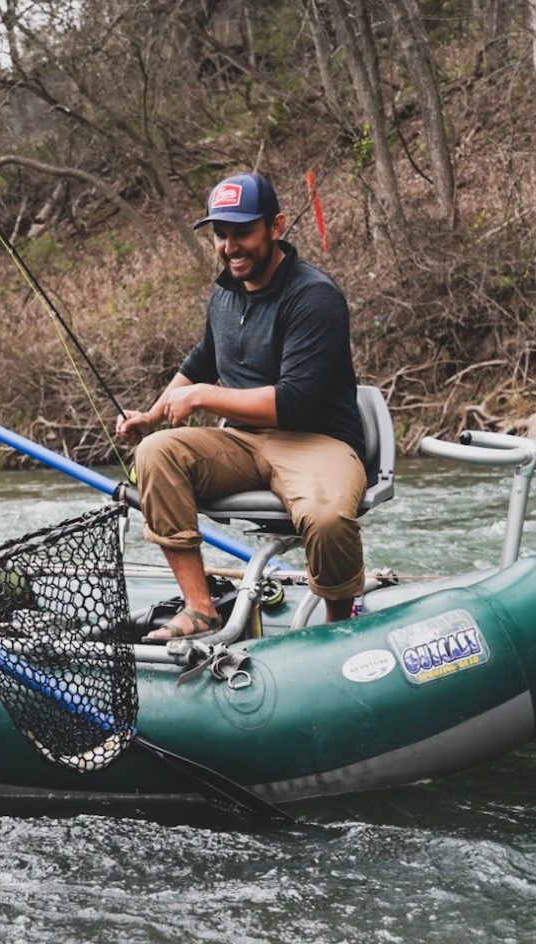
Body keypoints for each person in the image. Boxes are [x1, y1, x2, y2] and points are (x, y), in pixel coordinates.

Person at [115, 172, 369, 637]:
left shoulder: (314, 296)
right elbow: (203, 361)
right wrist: (153, 415)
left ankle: (339, 628)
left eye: (242, 233)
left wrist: (201, 396)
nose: (229, 246)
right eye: (221, 234)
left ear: (276, 227)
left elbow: (292, 402)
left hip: (317, 441)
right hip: (241, 442)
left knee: (329, 519)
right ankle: (199, 608)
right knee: (156, 452)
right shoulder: (225, 295)